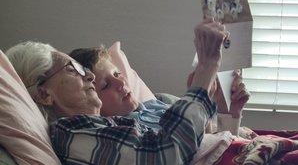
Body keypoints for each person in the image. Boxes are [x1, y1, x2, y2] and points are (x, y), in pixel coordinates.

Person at [5, 19, 239, 165]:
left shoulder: (107, 124)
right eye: (72, 69)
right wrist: (206, 69)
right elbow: (161, 160)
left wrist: (217, 103)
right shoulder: (69, 134)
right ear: (45, 94)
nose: (88, 77)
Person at [69, 44, 249, 135]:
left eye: (117, 74)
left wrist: (229, 112)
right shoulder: (122, 130)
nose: (120, 83)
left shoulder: (158, 105)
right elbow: (189, 156)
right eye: (105, 85)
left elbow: (210, 142)